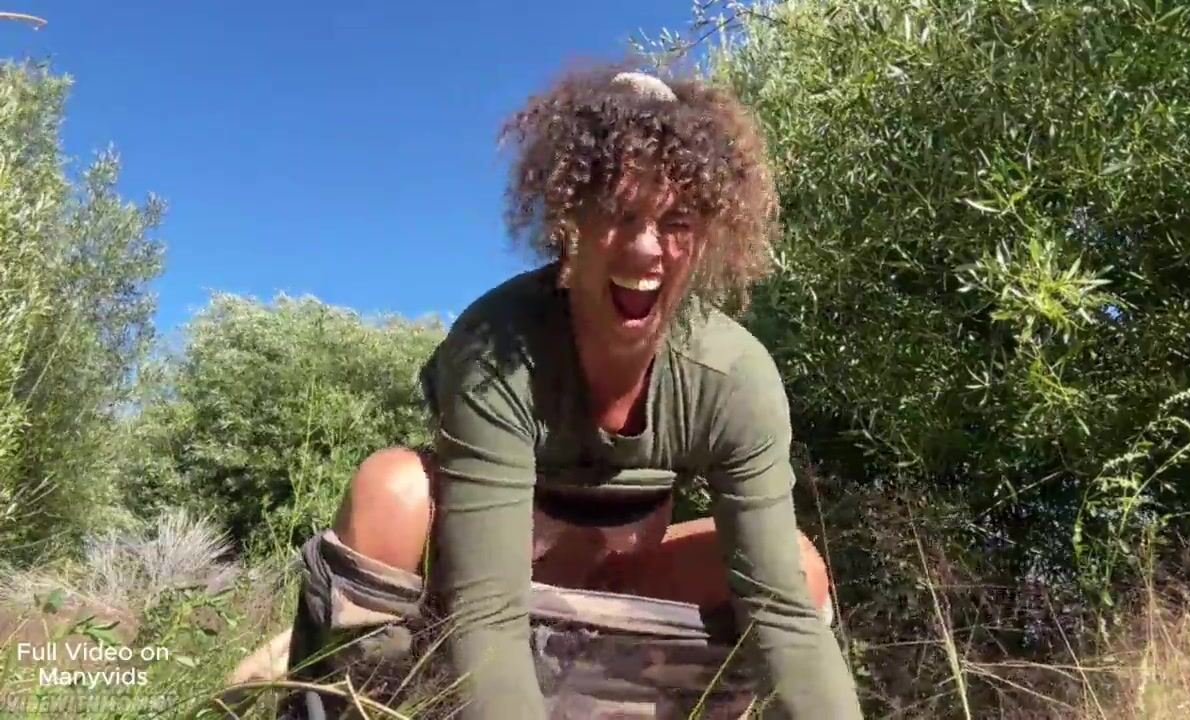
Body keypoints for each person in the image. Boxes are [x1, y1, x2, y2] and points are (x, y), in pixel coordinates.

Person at [280, 66, 863, 719]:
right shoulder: (497, 349)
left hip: (613, 597)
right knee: (391, 493)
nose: (645, 250)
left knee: (799, 572)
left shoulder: (734, 378)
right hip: (474, 593)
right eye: (618, 213)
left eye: (676, 221)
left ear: (706, 236)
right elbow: (487, 610)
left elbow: (783, 615)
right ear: (567, 223)